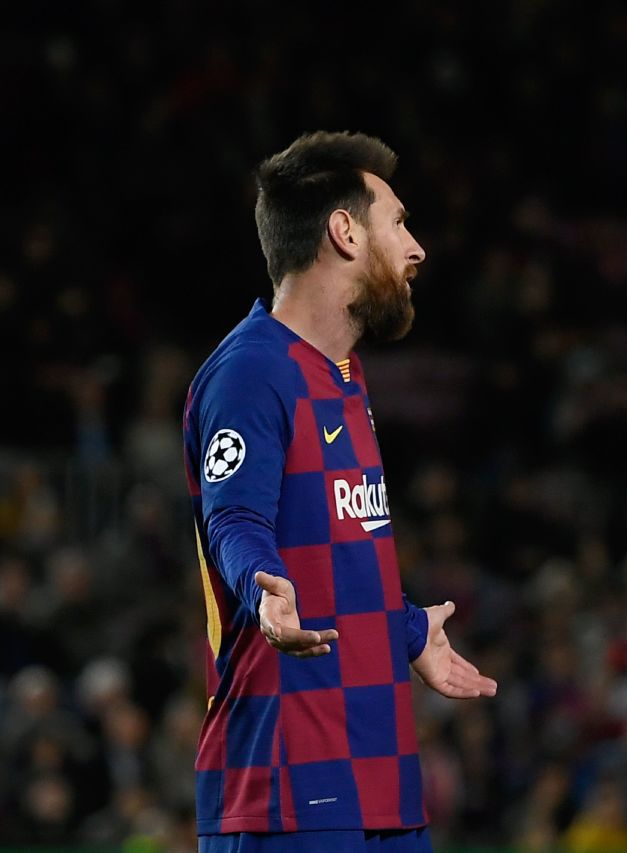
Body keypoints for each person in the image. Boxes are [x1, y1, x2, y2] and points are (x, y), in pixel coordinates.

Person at [182, 131, 497, 853]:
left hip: (380, 777)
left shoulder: (345, 377)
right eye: (400, 222)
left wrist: (408, 630)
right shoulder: (250, 372)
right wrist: (264, 589)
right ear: (344, 231)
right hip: (285, 787)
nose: (416, 248)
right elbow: (234, 517)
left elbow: (337, 543)